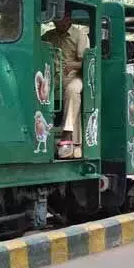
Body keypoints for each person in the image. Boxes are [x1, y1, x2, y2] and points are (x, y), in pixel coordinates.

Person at [41, 9, 89, 158]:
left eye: (59, 19)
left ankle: (67, 133)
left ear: (68, 18)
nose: (56, 22)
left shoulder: (80, 36)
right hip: (53, 78)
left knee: (72, 91)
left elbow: (87, 62)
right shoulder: (49, 35)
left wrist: (73, 65)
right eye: (54, 20)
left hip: (74, 77)